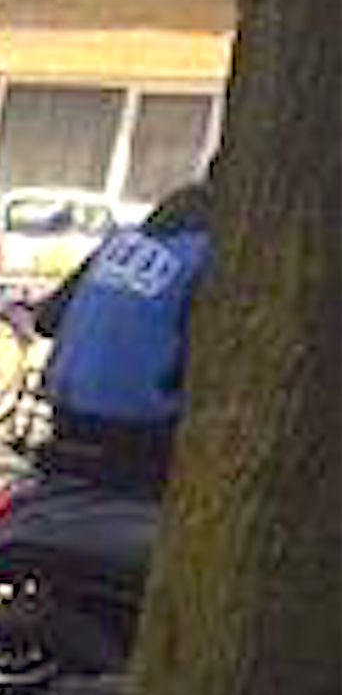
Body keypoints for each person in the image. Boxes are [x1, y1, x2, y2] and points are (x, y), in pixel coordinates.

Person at [30, 180, 214, 492]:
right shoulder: (203, 259)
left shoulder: (114, 246)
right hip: (142, 422)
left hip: (66, 412)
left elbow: (46, 320)